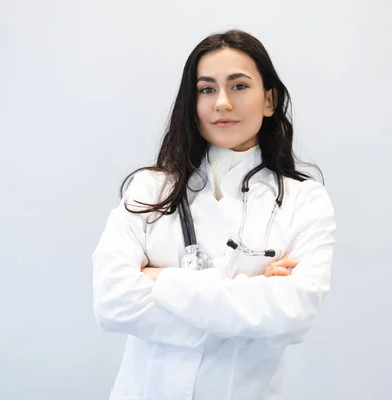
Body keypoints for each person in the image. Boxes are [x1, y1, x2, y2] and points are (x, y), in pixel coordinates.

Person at [92, 29, 336, 400]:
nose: (222, 102)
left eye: (239, 86)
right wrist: (249, 294)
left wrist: (159, 280)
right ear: (192, 103)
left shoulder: (306, 200)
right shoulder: (148, 189)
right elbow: (111, 302)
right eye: (206, 89)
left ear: (269, 100)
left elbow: (292, 315)